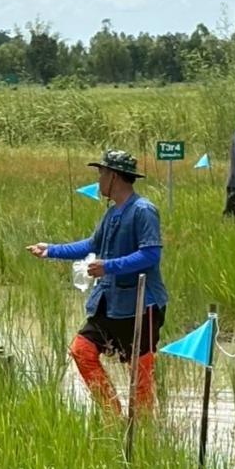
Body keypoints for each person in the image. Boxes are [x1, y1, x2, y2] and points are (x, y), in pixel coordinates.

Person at [28, 150, 167, 415]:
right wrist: (51, 250)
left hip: (141, 305)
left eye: (101, 174)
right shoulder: (112, 214)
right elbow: (92, 245)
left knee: (141, 374)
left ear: (113, 176)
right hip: (109, 302)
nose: (99, 180)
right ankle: (112, 415)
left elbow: (151, 254)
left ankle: (142, 430)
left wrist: (109, 266)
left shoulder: (143, 211)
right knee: (82, 351)